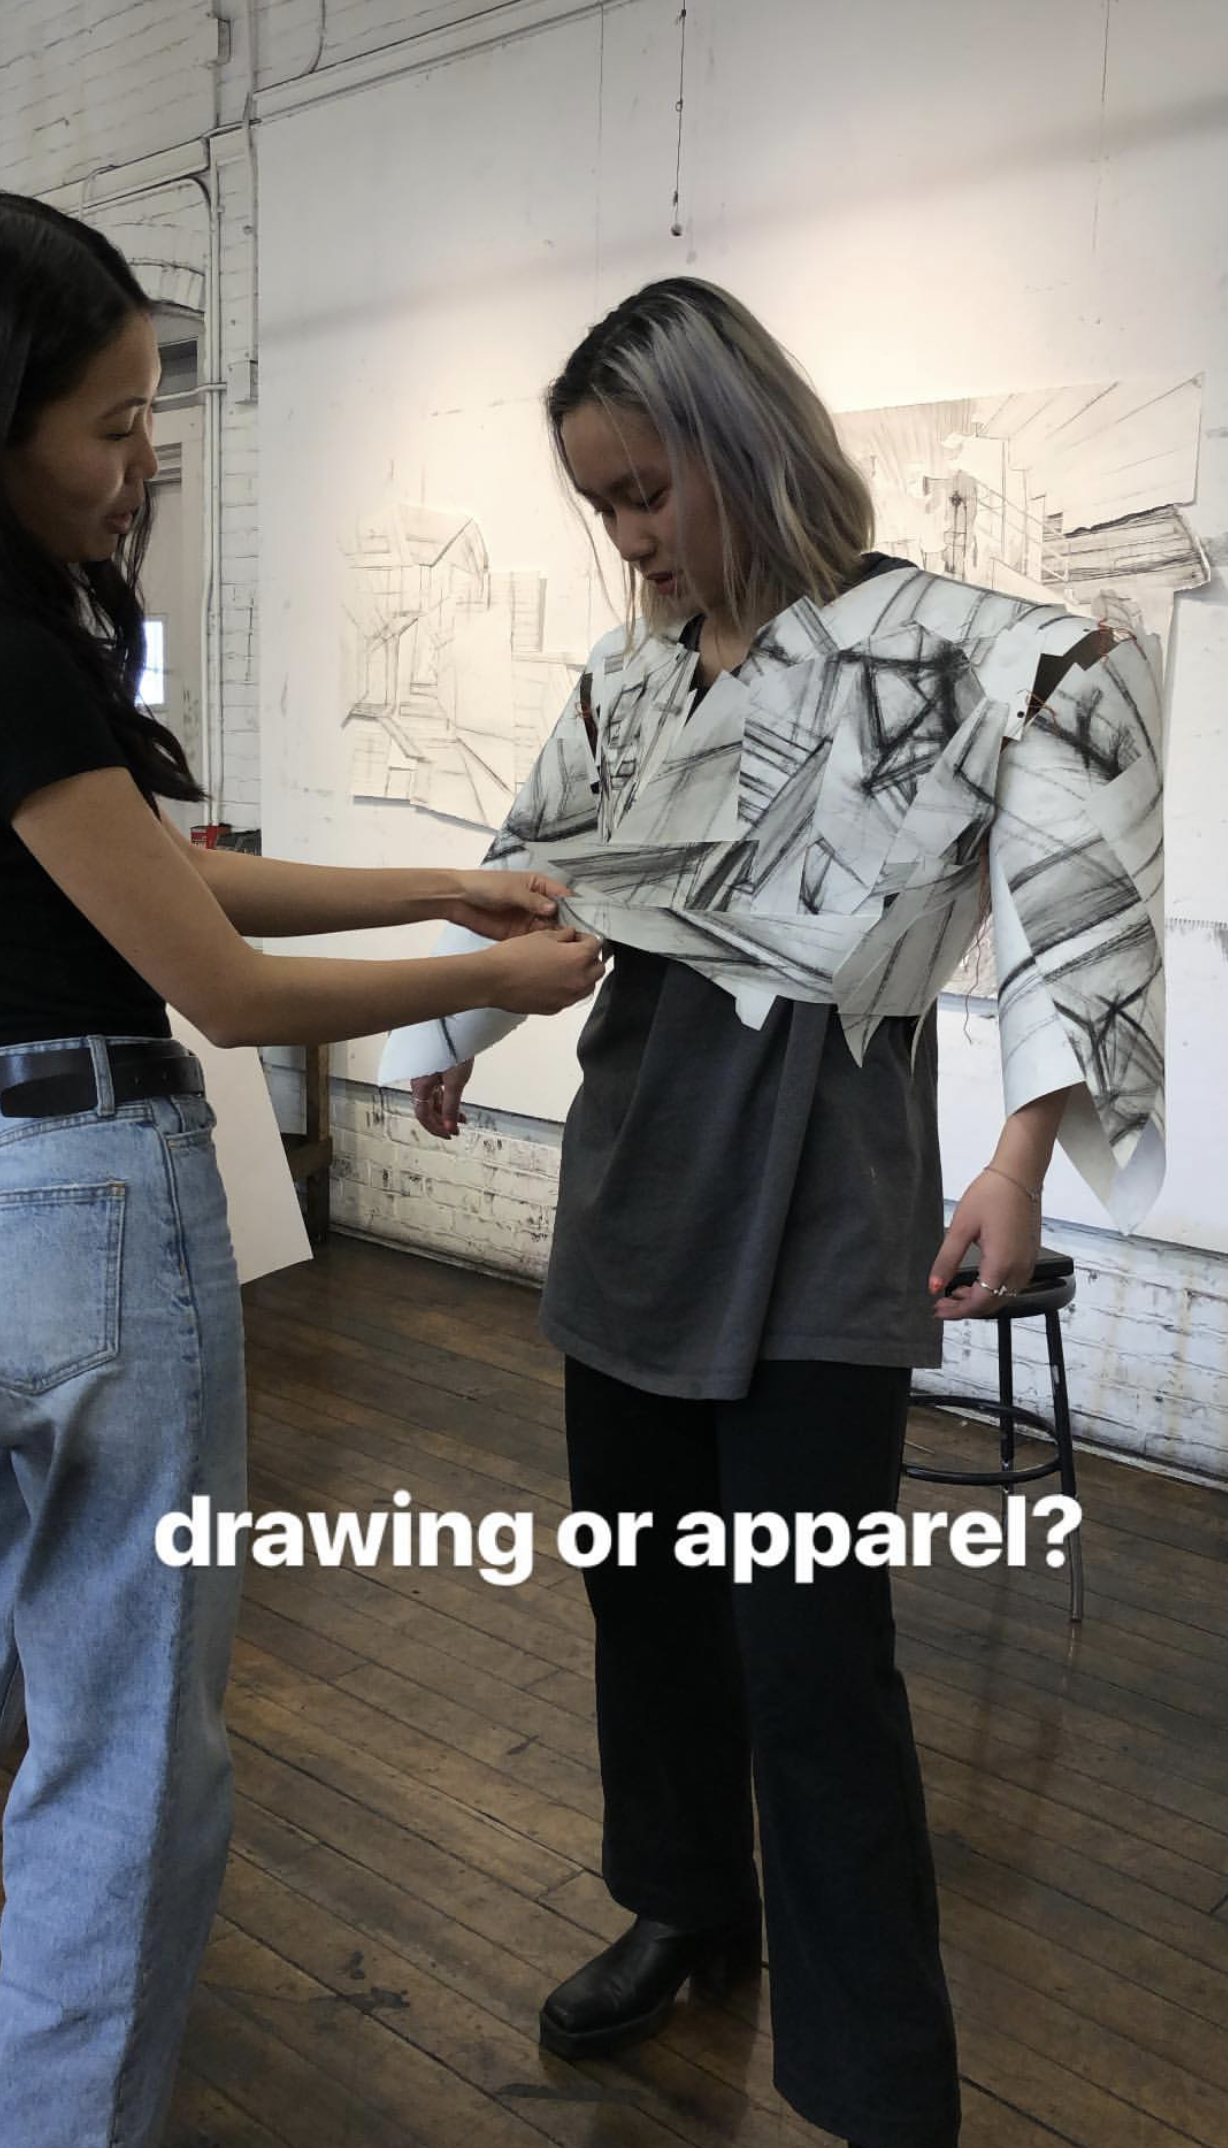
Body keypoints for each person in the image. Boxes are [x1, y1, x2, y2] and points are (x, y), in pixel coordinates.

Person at [388, 278, 1165, 2148]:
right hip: (637, 1185)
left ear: (743, 448)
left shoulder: (954, 652)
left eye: (649, 490)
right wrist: (451, 1027)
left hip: (824, 1203)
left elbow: (1076, 874)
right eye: (601, 503)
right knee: (647, 1603)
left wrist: (1018, 1157)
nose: (628, 537)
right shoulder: (634, 678)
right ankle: (684, 1901)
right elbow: (533, 866)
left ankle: (879, 2080)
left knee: (815, 1658)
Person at [0, 192, 606, 2148]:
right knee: (124, 1753)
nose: (141, 463)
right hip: (80, 1198)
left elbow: (160, 877)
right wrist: (492, 975)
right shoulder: (18, 653)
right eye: (109, 424)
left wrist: (438, 881)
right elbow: (224, 987)